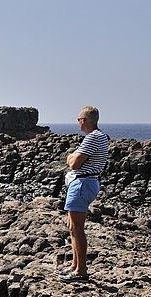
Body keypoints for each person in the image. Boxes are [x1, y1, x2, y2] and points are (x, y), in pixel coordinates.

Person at [60, 105, 109, 281]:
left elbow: (73, 163)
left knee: (77, 229)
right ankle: (74, 265)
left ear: (84, 120)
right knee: (72, 227)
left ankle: (81, 271)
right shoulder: (99, 136)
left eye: (79, 119)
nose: (78, 122)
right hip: (87, 182)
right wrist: (74, 156)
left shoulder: (93, 138)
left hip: (82, 184)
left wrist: (72, 156)